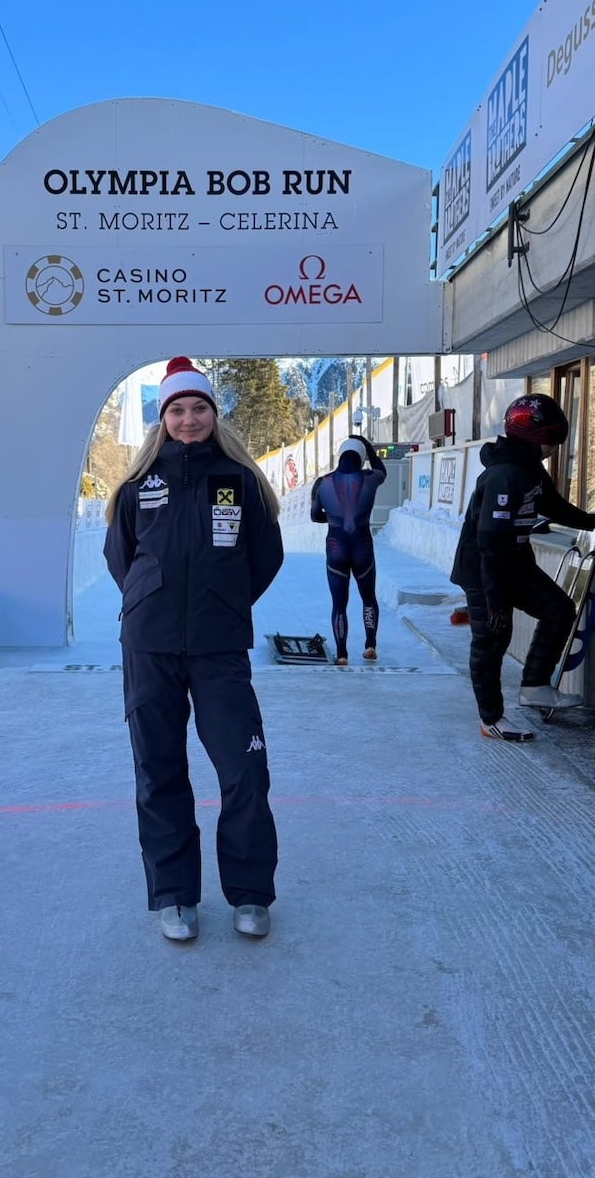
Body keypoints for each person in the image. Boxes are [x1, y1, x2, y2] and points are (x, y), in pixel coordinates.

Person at [104, 357, 284, 943]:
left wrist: (224, 600)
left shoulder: (240, 480)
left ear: (214, 413)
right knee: (159, 772)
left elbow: (265, 557)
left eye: (198, 408)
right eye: (177, 410)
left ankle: (250, 894)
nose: (188, 419)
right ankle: (175, 895)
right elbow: (121, 559)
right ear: (163, 418)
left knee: (244, 768)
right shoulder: (138, 485)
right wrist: (149, 601)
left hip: (219, 647)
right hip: (150, 647)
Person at [450, 393, 595, 742]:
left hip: (514, 562)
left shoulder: (530, 469)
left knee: (558, 609)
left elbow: (554, 506)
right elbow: (490, 543)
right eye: (550, 441)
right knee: (492, 640)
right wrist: (495, 601)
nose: (553, 449)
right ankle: (491, 719)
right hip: (486, 570)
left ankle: (535, 685)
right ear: (532, 437)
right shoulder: (503, 476)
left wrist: (592, 521)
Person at [310, 434, 386, 664]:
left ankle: (342, 653)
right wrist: (367, 445)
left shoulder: (322, 483)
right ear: (360, 458)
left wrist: (334, 520)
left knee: (339, 604)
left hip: (336, 546)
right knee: (368, 597)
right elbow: (380, 468)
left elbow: (314, 516)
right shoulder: (371, 478)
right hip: (362, 545)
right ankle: (370, 644)